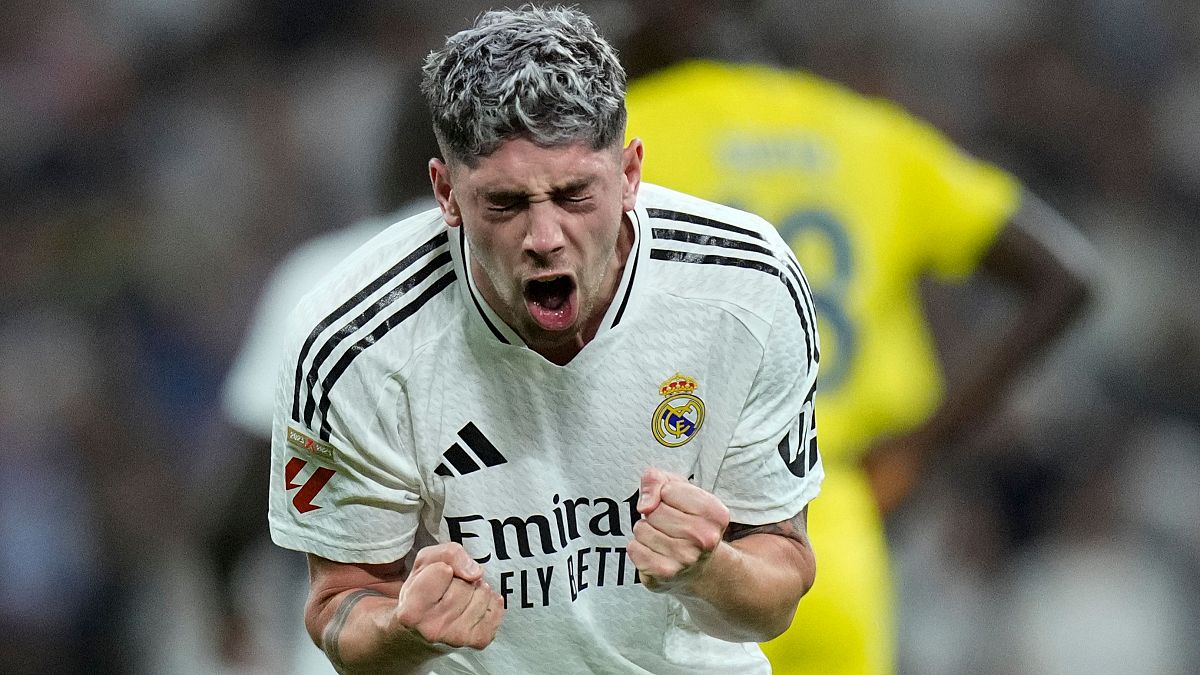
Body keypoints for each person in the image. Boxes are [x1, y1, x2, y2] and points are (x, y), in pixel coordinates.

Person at [269, 6, 824, 674]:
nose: (544, 238)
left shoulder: (746, 287)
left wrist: (710, 567)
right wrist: (408, 628)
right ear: (445, 193)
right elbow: (341, 605)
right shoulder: (355, 338)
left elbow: (778, 590)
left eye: (573, 194)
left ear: (630, 173)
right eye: (504, 204)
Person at [624, 59, 1095, 674]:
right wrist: (924, 447)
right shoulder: (870, 136)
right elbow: (1065, 278)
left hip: (669, 525)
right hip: (837, 526)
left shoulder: (630, 127)